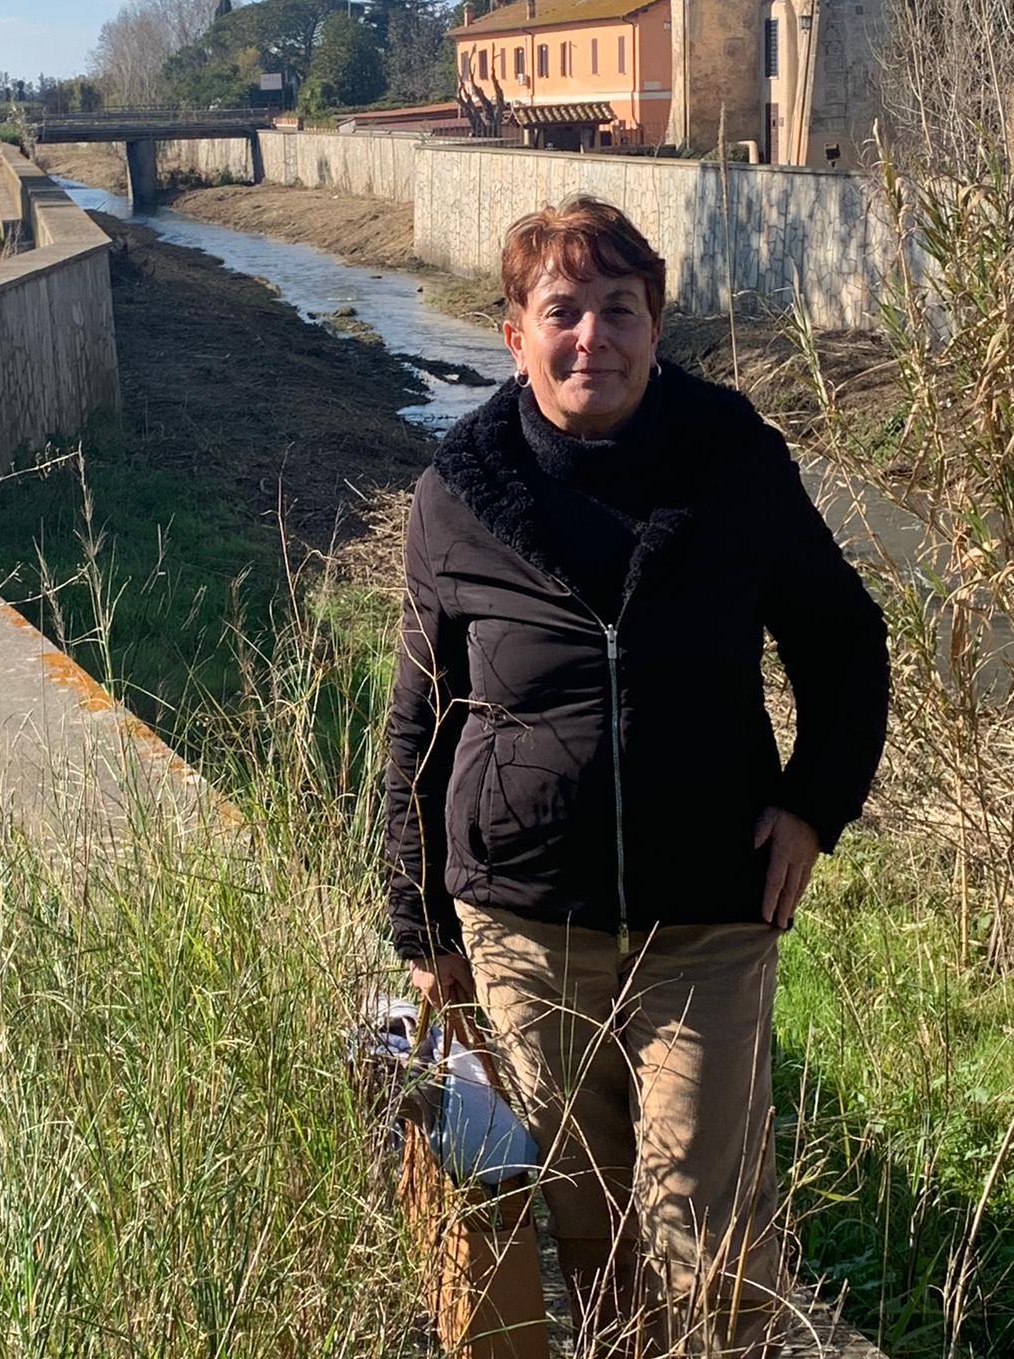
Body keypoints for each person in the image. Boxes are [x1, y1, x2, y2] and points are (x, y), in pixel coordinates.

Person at [385, 197, 889, 1357]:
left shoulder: (733, 462)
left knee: (709, 1250)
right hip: (522, 927)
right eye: (562, 310)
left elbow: (845, 644)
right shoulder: (458, 496)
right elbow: (418, 723)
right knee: (592, 1235)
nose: (592, 339)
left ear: (655, 324)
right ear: (514, 335)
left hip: (707, 916)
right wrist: (421, 926)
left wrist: (814, 805)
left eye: (619, 309)